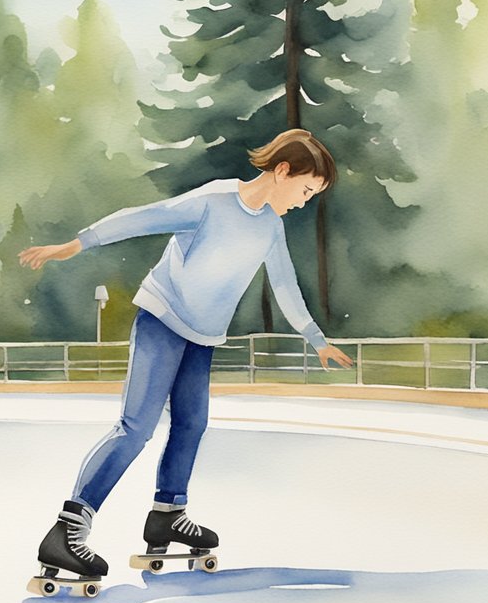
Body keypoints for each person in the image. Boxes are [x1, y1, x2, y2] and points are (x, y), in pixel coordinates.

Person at [19, 128, 354, 579]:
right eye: (306, 189)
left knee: (192, 423)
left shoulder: (271, 228)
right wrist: (79, 243)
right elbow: (146, 217)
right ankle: (67, 530)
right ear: (282, 171)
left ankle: (167, 514)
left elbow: (286, 286)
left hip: (203, 336)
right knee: (135, 427)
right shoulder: (215, 201)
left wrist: (317, 339)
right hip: (163, 319)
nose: (304, 201)